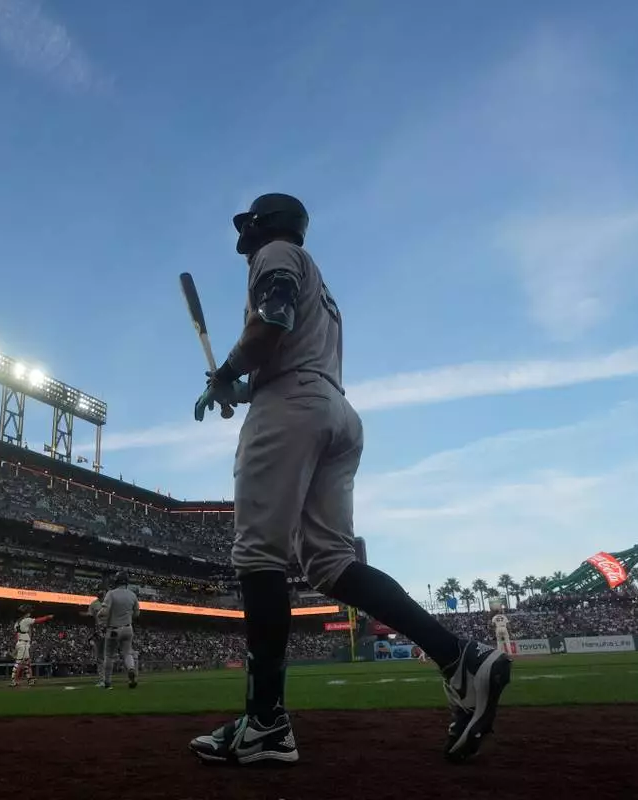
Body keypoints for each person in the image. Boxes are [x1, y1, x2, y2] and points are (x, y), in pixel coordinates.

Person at [188, 194, 512, 766]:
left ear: (264, 226)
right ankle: (458, 656)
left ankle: (265, 724)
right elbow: (285, 344)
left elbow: (273, 320)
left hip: (292, 408)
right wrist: (239, 387)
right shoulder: (320, 283)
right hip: (333, 409)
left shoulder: (276, 253)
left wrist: (228, 372)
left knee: (258, 555)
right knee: (330, 564)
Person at [99, 571, 140, 689]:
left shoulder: (111, 594)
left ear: (116, 581)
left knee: (109, 655)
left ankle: (107, 682)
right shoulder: (132, 595)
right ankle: (131, 669)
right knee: (127, 653)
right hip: (128, 628)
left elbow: (104, 612)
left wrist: (99, 615)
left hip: (113, 629)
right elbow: (137, 613)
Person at [10, 605, 53, 687]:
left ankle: (30, 680)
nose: (29, 614)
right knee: (18, 663)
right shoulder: (25, 620)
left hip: (21, 643)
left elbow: (17, 635)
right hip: (23, 644)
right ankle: (13, 681)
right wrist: (47, 617)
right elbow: (38, 620)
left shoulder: (16, 623)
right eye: (28, 612)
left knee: (27, 663)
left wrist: (17, 646)